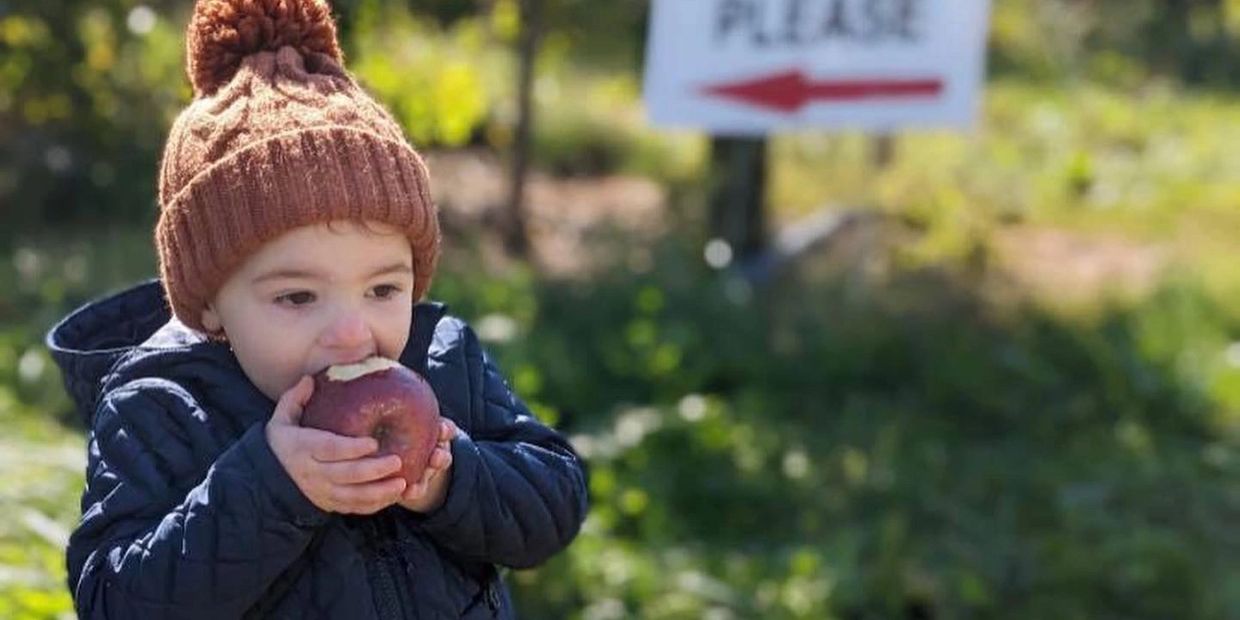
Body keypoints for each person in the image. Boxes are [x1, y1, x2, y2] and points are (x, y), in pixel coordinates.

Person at [45, 1, 588, 617]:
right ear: (212, 306)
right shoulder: (162, 407)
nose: (352, 332)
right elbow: (115, 600)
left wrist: (449, 478)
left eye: (384, 290)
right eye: (298, 297)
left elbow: (555, 503)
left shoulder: (441, 359)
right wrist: (271, 488)